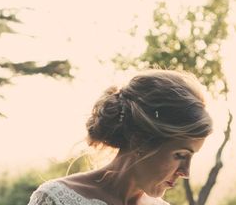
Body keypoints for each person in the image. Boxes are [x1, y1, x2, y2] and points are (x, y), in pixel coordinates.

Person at [27, 70, 213, 205]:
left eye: (191, 157)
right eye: (180, 155)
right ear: (140, 140)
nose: (186, 172)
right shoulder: (55, 199)